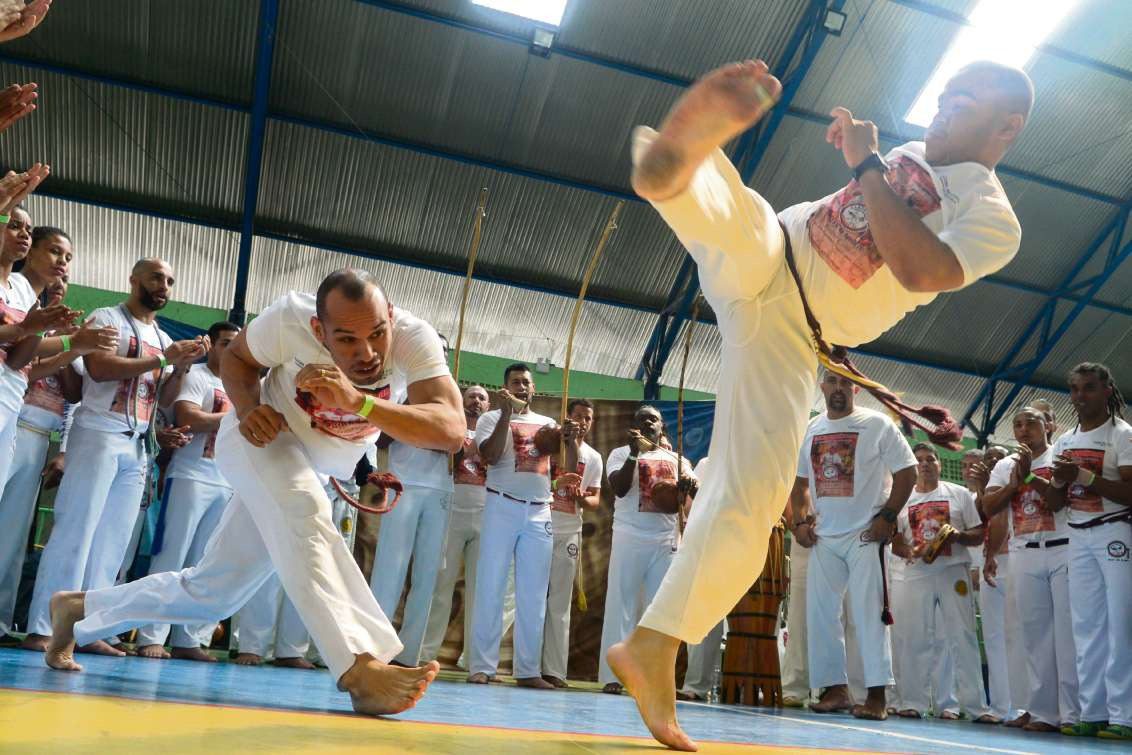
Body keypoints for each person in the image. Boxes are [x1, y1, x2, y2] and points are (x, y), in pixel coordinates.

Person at [608, 56, 1031, 748]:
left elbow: (919, 268)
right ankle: (679, 169)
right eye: (947, 88)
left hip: (794, 332)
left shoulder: (992, 215)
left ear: (1006, 126)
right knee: (741, 225)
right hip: (781, 248)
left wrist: (866, 162)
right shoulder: (911, 152)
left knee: (750, 501)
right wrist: (866, 159)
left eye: (967, 97)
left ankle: (652, 645)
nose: (945, 101)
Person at [43, 268, 465, 717]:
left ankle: (78, 609)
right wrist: (248, 408)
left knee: (213, 592)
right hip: (260, 439)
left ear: (391, 317)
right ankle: (359, 666)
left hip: (315, 464)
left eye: (377, 334)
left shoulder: (411, 338)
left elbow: (451, 429)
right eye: (346, 340)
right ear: (318, 330)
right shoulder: (288, 318)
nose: (367, 353)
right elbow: (238, 359)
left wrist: (358, 401)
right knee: (307, 510)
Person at [22, 258, 207, 655]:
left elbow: (166, 400)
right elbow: (101, 370)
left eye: (170, 280)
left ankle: (88, 632)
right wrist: (164, 360)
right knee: (77, 531)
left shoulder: (159, 333)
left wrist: (180, 370)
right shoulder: (106, 317)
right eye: (157, 277)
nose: (164, 285)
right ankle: (43, 627)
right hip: (99, 433)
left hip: (137, 443)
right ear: (134, 279)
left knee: (113, 544)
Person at [790, 373, 916, 720]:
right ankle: (835, 690)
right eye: (832, 382)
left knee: (869, 614)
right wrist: (800, 522)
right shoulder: (813, 430)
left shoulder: (876, 424)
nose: (839, 389)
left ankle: (877, 696)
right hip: (824, 537)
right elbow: (800, 485)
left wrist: (888, 516)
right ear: (823, 388)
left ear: (856, 389)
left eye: (846, 383)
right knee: (821, 614)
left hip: (866, 534)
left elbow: (908, 473)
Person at [133, 322, 241, 662]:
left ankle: (188, 639)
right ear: (213, 346)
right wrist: (239, 419)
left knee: (204, 564)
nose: (231, 349)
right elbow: (187, 416)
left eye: (237, 344)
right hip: (191, 476)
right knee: (171, 557)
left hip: (227, 482)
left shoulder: (244, 387)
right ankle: (151, 634)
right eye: (225, 343)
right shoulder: (197, 376)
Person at [467, 363, 579, 688]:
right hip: (500, 504)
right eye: (515, 382)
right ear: (505, 387)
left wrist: (569, 441)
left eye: (526, 383)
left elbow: (567, 471)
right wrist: (504, 414)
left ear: (534, 389)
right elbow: (487, 456)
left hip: (540, 511)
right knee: (491, 585)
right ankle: (482, 667)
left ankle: (528, 670)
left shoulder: (547, 423)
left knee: (533, 593)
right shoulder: (490, 418)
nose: (521, 387)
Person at [1042, 363, 1132, 740]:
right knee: (1086, 625)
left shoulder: (1123, 436)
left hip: (1116, 534)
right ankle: (1092, 710)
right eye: (1075, 389)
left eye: (1089, 388)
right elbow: (1053, 504)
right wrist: (1060, 480)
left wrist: (1087, 477)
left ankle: (1124, 715)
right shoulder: (1064, 441)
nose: (1081, 396)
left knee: (1120, 624)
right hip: (1077, 536)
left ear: (1107, 390)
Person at [982, 407, 1078, 733]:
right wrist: (1013, 484)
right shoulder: (1005, 465)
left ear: (1049, 425)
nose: (1024, 430)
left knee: (1067, 636)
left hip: (1063, 547)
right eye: (1018, 424)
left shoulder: (1061, 456)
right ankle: (1043, 713)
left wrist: (1028, 477)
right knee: (1034, 636)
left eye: (1031, 423)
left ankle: (1073, 713)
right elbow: (988, 506)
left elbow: (1056, 502)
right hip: (1024, 551)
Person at [890, 443, 993, 722]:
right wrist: (908, 551)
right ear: (913, 466)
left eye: (930, 459)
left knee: (963, 636)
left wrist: (957, 536)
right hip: (916, 573)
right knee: (915, 637)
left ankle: (975, 707)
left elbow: (978, 533)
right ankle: (912, 702)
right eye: (919, 460)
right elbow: (895, 538)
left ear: (939, 464)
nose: (924, 464)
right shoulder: (903, 500)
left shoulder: (958, 494)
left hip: (953, 571)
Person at [599, 405, 696, 694]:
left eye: (652, 419)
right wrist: (633, 452)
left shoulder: (676, 459)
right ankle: (613, 676)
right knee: (621, 605)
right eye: (641, 419)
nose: (647, 423)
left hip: (665, 540)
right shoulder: (619, 453)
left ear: (662, 427)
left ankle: (652, 678)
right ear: (633, 426)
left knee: (659, 609)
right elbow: (618, 488)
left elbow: (695, 490)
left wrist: (689, 483)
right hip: (629, 536)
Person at [370, 393, 455, 667]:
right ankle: (375, 649)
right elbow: (380, 440)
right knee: (389, 569)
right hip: (402, 483)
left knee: (427, 575)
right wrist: (405, 410)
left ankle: (409, 656)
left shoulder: (448, 397)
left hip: (440, 488)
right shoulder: (399, 393)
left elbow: (458, 446)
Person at [421, 385, 490, 664]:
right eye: (471, 396)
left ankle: (476, 659)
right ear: (461, 400)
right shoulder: (452, 426)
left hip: (486, 511)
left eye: (482, 397)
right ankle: (425, 652)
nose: (476, 401)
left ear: (489, 405)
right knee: (442, 582)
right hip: (452, 506)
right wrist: (463, 446)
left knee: (480, 588)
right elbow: (447, 462)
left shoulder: (495, 432)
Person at [542, 398, 603, 688]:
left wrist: (581, 497)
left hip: (569, 530)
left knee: (559, 602)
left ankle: (554, 669)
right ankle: (516, 663)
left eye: (587, 418)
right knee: (524, 597)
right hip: (538, 525)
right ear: (567, 415)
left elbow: (595, 498)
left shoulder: (593, 457)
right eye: (577, 415)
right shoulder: (549, 438)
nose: (582, 421)